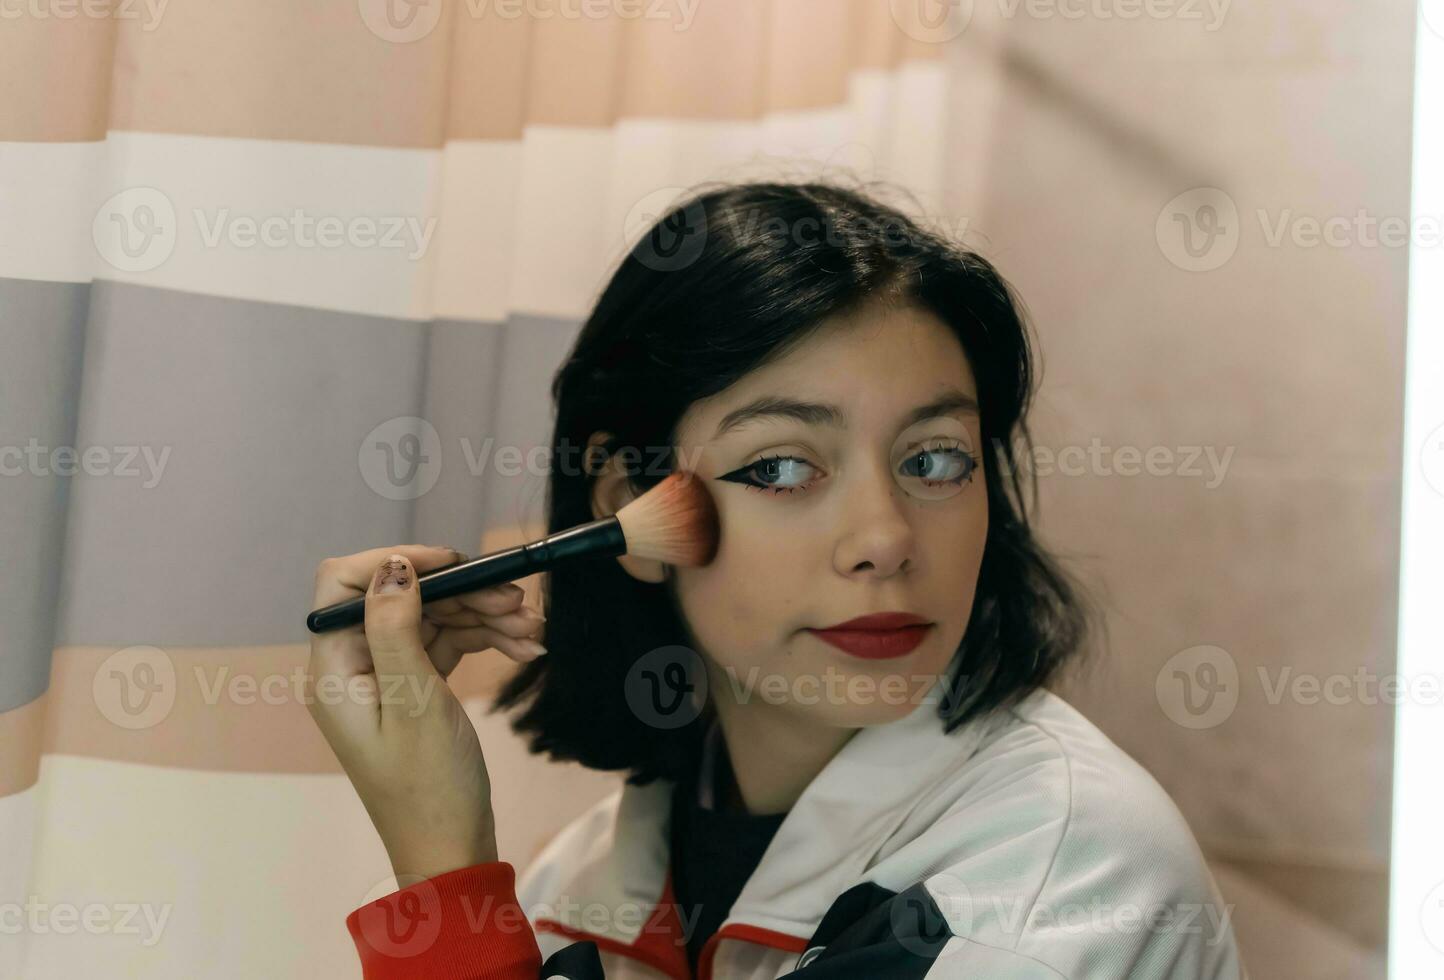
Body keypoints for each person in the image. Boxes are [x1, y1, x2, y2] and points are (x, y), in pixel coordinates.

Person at [307, 181, 1244, 979]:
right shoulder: (586, 884)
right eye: (782, 468)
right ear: (632, 508)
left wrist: (447, 884)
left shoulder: (1057, 887)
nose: (884, 540)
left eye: (934, 460)